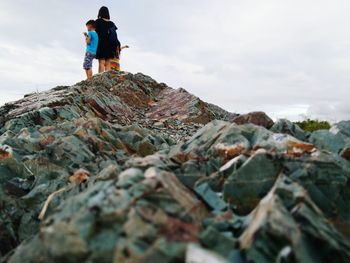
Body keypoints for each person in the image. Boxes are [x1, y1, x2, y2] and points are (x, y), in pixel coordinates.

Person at [95, 6, 120, 73]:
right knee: (108, 62)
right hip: (110, 45)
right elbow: (115, 36)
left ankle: (100, 79)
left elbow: (95, 33)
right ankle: (107, 78)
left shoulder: (98, 21)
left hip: (101, 44)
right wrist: (117, 46)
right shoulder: (112, 23)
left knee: (101, 62)